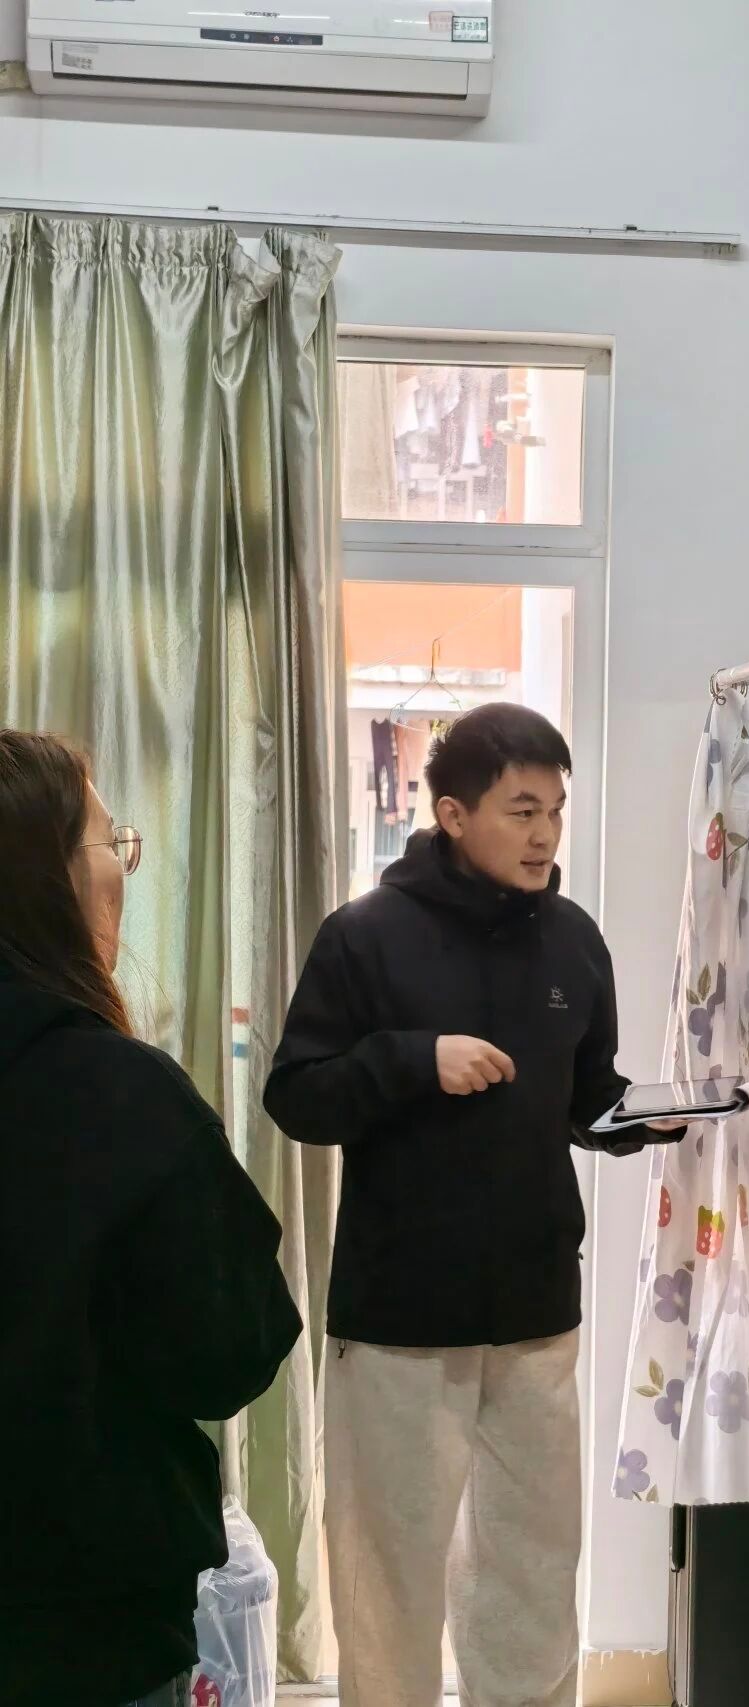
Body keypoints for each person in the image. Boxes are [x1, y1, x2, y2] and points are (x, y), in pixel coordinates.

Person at [264, 702, 684, 1707]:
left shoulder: (574, 942)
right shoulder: (364, 936)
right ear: (453, 814)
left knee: (532, 1573)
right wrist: (416, 1061)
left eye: (556, 810)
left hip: (537, 1313)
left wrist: (647, 1116)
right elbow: (297, 1095)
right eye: (521, 810)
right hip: (400, 1320)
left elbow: (585, 1097)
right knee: (390, 1579)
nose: (545, 834)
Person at [0, 730, 302, 1707]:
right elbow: (229, 1351)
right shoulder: (119, 1096)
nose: (122, 870)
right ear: (46, 880)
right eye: (108, 842)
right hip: (85, 1628)